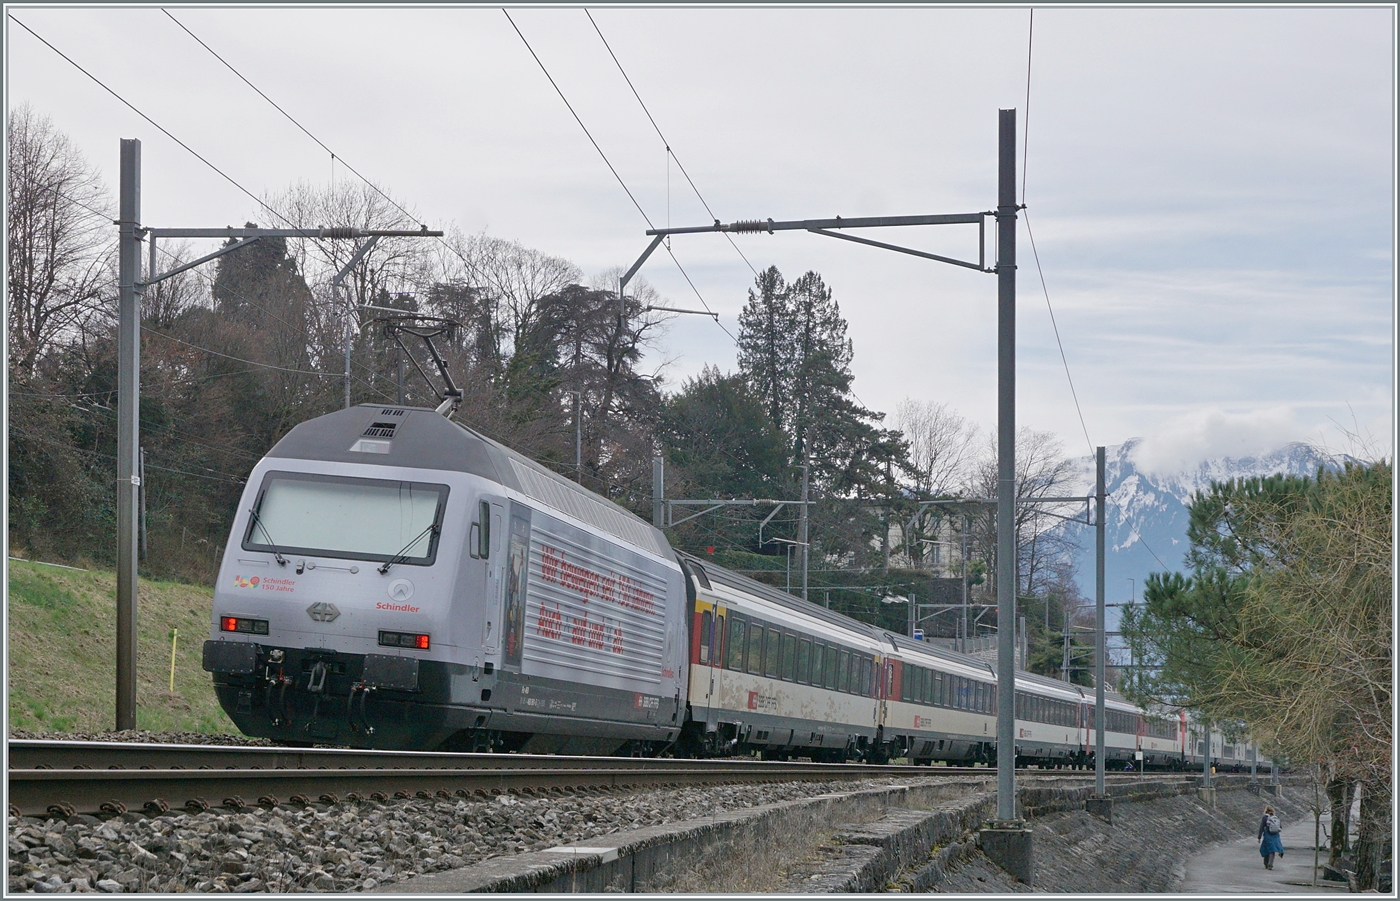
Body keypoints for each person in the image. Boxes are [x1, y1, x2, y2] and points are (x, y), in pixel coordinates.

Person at [1258, 805, 1284, 870]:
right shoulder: (1276, 817)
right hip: (1275, 835)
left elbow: (1261, 827)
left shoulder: (1265, 817)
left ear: (1266, 810)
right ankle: (1270, 864)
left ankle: (1266, 863)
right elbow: (1280, 827)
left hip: (1268, 835)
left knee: (1267, 848)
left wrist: (1259, 837)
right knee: (1273, 850)